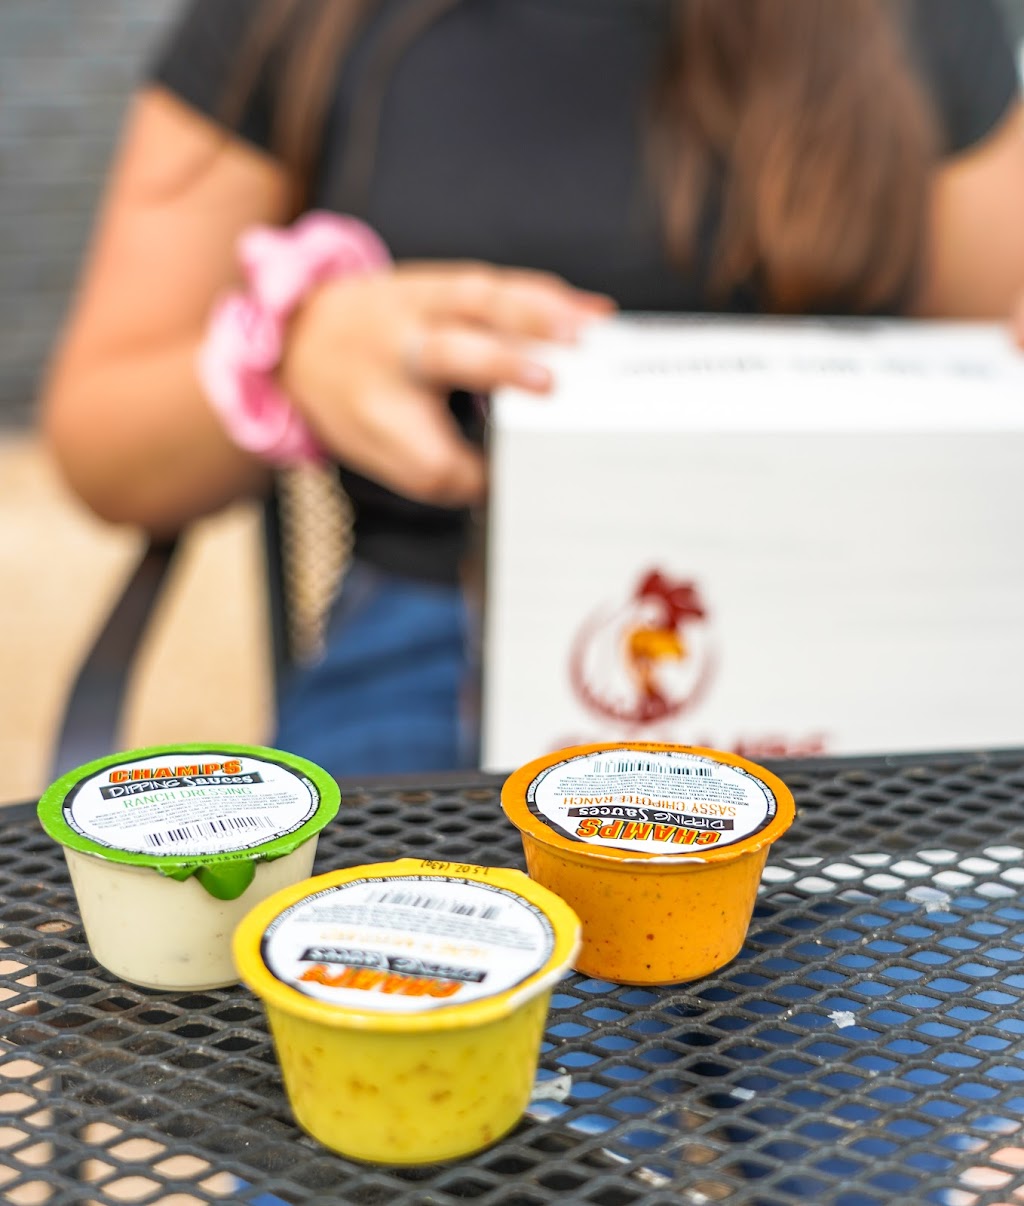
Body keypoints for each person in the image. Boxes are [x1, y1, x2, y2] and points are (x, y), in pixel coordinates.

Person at [41, 0, 1024, 779]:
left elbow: (997, 359)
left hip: (855, 629)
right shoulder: (295, 19)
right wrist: (294, 354)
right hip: (443, 631)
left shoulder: (919, 19)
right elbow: (105, 439)